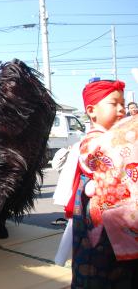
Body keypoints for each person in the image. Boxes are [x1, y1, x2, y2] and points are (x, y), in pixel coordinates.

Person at [64, 79, 137, 288]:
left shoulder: (109, 137)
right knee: (99, 268)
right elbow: (109, 151)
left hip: (115, 217)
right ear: (91, 110)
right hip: (100, 221)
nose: (122, 110)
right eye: (114, 104)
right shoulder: (94, 141)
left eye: (123, 104)